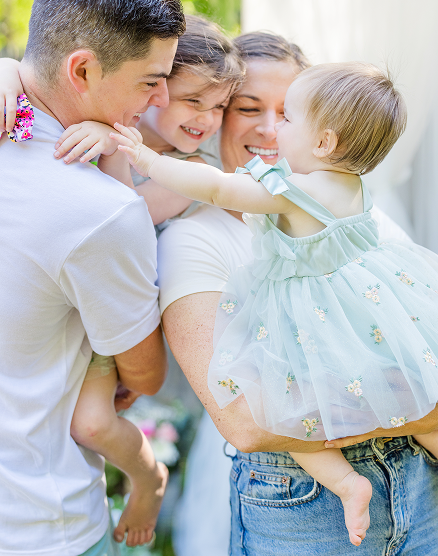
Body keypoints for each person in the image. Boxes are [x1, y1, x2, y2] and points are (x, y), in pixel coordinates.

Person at [112, 60, 438, 546]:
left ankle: (348, 485)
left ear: (324, 142)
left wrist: (148, 160)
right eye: (249, 109)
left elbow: (222, 187)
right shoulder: (357, 187)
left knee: (288, 395)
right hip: (369, 321)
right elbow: (247, 425)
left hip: (316, 328)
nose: (273, 129)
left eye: (287, 117)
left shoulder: (297, 189)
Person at [0, 0, 185, 555]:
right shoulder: (97, 210)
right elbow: (145, 376)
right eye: (151, 80)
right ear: (81, 69)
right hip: (39, 527)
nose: (162, 100)